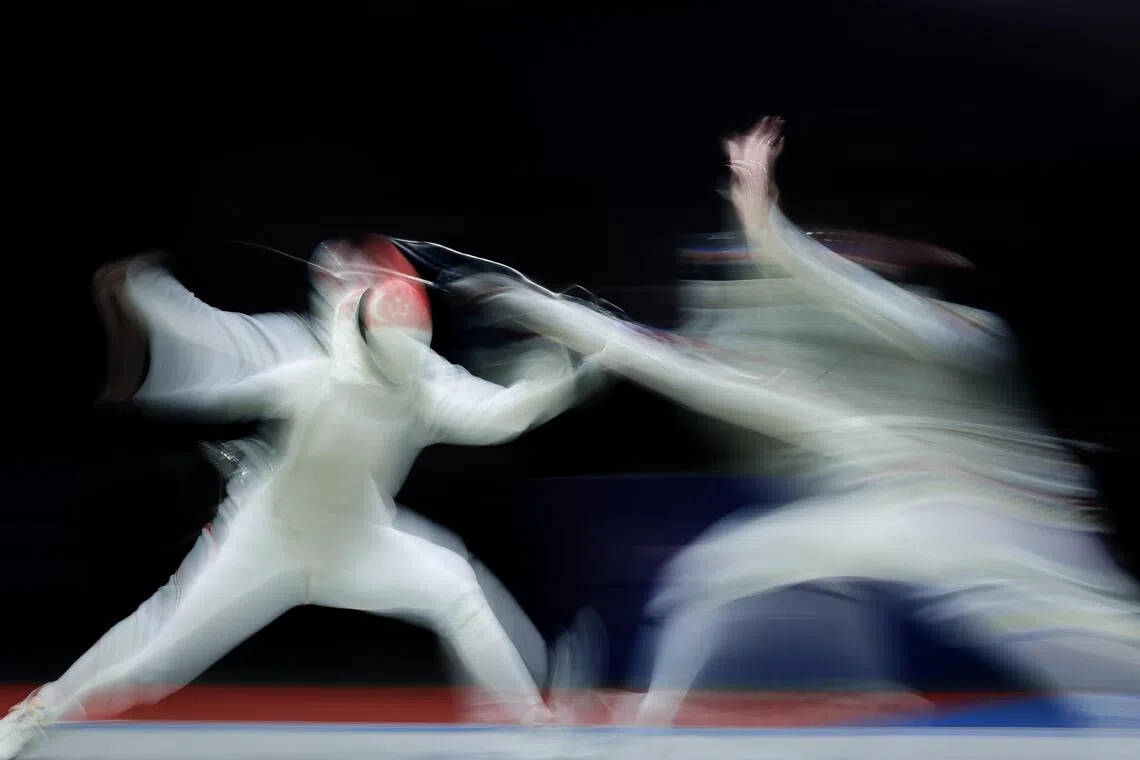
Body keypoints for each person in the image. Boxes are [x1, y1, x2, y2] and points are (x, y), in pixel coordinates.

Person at [469, 117, 1140, 725]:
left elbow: (848, 295)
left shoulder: (960, 336)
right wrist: (528, 303)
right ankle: (654, 720)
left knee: (1092, 649)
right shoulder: (829, 389)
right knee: (714, 574)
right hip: (907, 515)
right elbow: (657, 357)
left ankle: (681, 711)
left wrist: (766, 227)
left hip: (1009, 525)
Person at [0, 236, 593, 759]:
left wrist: (555, 376)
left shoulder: (421, 378)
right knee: (151, 660)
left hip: (359, 542)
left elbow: (499, 415)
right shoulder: (301, 362)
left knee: (456, 586)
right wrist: (149, 291)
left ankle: (530, 726)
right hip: (263, 543)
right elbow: (211, 334)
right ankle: (34, 715)